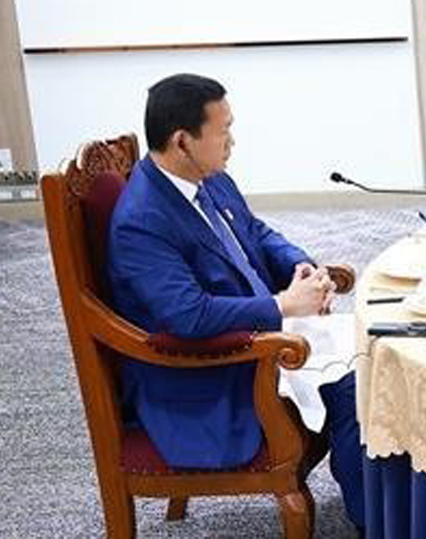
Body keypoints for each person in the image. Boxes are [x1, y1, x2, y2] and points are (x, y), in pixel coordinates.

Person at [106, 74, 363, 530]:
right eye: (224, 130)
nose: (233, 141)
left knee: (376, 352)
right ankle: (375, 517)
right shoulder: (141, 221)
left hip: (259, 335)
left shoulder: (207, 177)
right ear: (182, 141)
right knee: (354, 389)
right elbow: (190, 315)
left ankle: (379, 497)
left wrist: (301, 267)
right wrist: (284, 305)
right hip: (208, 378)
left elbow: (255, 234)